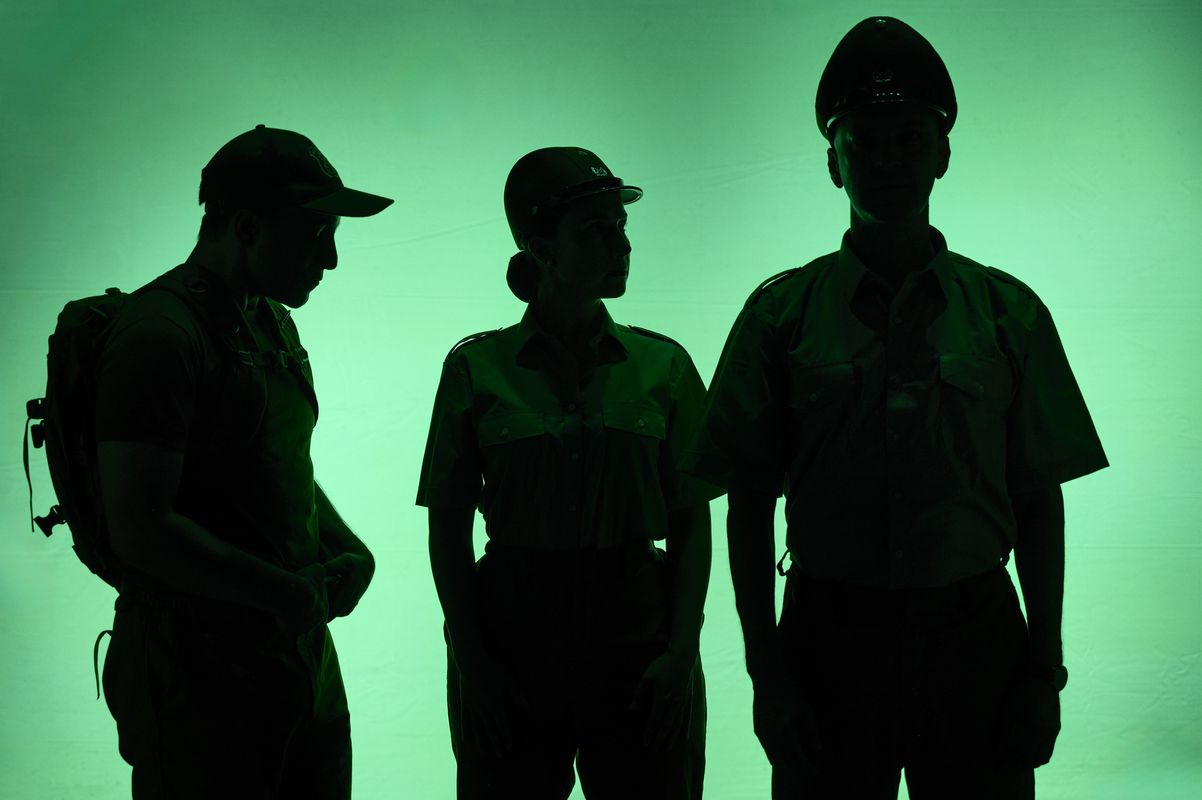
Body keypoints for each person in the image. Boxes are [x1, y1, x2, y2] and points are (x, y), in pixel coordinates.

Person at [680, 17, 1109, 800]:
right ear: (832, 162)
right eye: (864, 140)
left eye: (910, 137)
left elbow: (1038, 496)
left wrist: (1043, 669)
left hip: (975, 641)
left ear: (943, 153)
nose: (887, 158)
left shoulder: (1006, 313)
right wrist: (767, 675)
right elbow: (747, 502)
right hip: (829, 643)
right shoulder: (780, 316)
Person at [95, 124, 392, 798]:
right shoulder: (159, 335)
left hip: (296, 660)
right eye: (316, 232)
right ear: (249, 227)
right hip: (200, 678)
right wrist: (285, 592)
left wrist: (348, 549)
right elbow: (140, 529)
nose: (331, 259)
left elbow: (276, 461)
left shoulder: (269, 322)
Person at [418, 147, 712, 799]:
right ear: (539, 246)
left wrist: (679, 654)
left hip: (637, 639)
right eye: (596, 229)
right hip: (515, 644)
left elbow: (692, 519)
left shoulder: (662, 366)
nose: (621, 245)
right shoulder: (477, 370)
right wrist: (474, 661)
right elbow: (447, 528)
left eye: (621, 226)